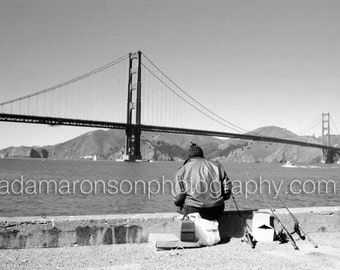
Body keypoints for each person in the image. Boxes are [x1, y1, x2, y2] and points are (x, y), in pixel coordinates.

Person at [173, 143, 232, 220]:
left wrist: (180, 204)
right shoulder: (217, 166)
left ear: (189, 157)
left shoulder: (182, 170)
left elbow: (178, 198)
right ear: (201, 155)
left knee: (179, 211)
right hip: (217, 209)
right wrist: (219, 200)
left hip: (193, 210)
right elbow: (227, 189)